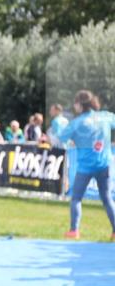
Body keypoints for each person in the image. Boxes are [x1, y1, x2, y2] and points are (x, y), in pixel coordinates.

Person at [55, 90, 115, 241]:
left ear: (80, 104)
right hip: (104, 164)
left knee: (76, 198)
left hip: (85, 167)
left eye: (75, 104)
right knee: (107, 198)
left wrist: (57, 125)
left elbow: (61, 137)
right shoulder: (105, 116)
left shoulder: (77, 123)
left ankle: (74, 231)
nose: (74, 107)